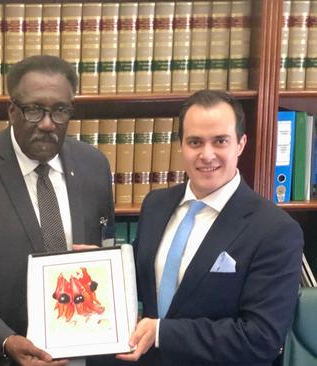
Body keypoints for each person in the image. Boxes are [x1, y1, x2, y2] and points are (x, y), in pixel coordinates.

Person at [0, 55, 115, 366]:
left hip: (81, 353)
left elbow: (104, 248)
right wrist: (4, 340)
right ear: (12, 110)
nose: (46, 123)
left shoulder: (94, 166)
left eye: (59, 110)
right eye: (33, 110)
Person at [116, 90, 303, 365]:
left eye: (220, 141)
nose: (207, 154)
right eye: (195, 142)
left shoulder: (275, 230)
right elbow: (141, 279)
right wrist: (101, 264)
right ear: (181, 145)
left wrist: (162, 333)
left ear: (240, 144)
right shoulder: (156, 205)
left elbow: (261, 338)